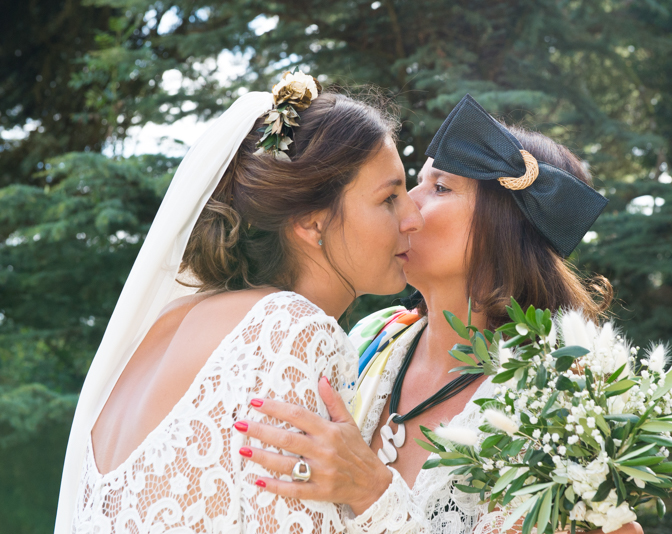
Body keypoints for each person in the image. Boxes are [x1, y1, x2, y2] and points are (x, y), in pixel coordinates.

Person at [236, 95, 644, 534]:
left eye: (440, 188)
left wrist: (373, 492)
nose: (407, 208)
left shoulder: (561, 405)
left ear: (504, 225)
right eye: (414, 185)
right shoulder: (373, 337)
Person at [54, 74, 424, 534]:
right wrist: (379, 495)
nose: (414, 217)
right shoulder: (289, 330)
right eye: (389, 198)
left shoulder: (169, 322)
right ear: (311, 222)